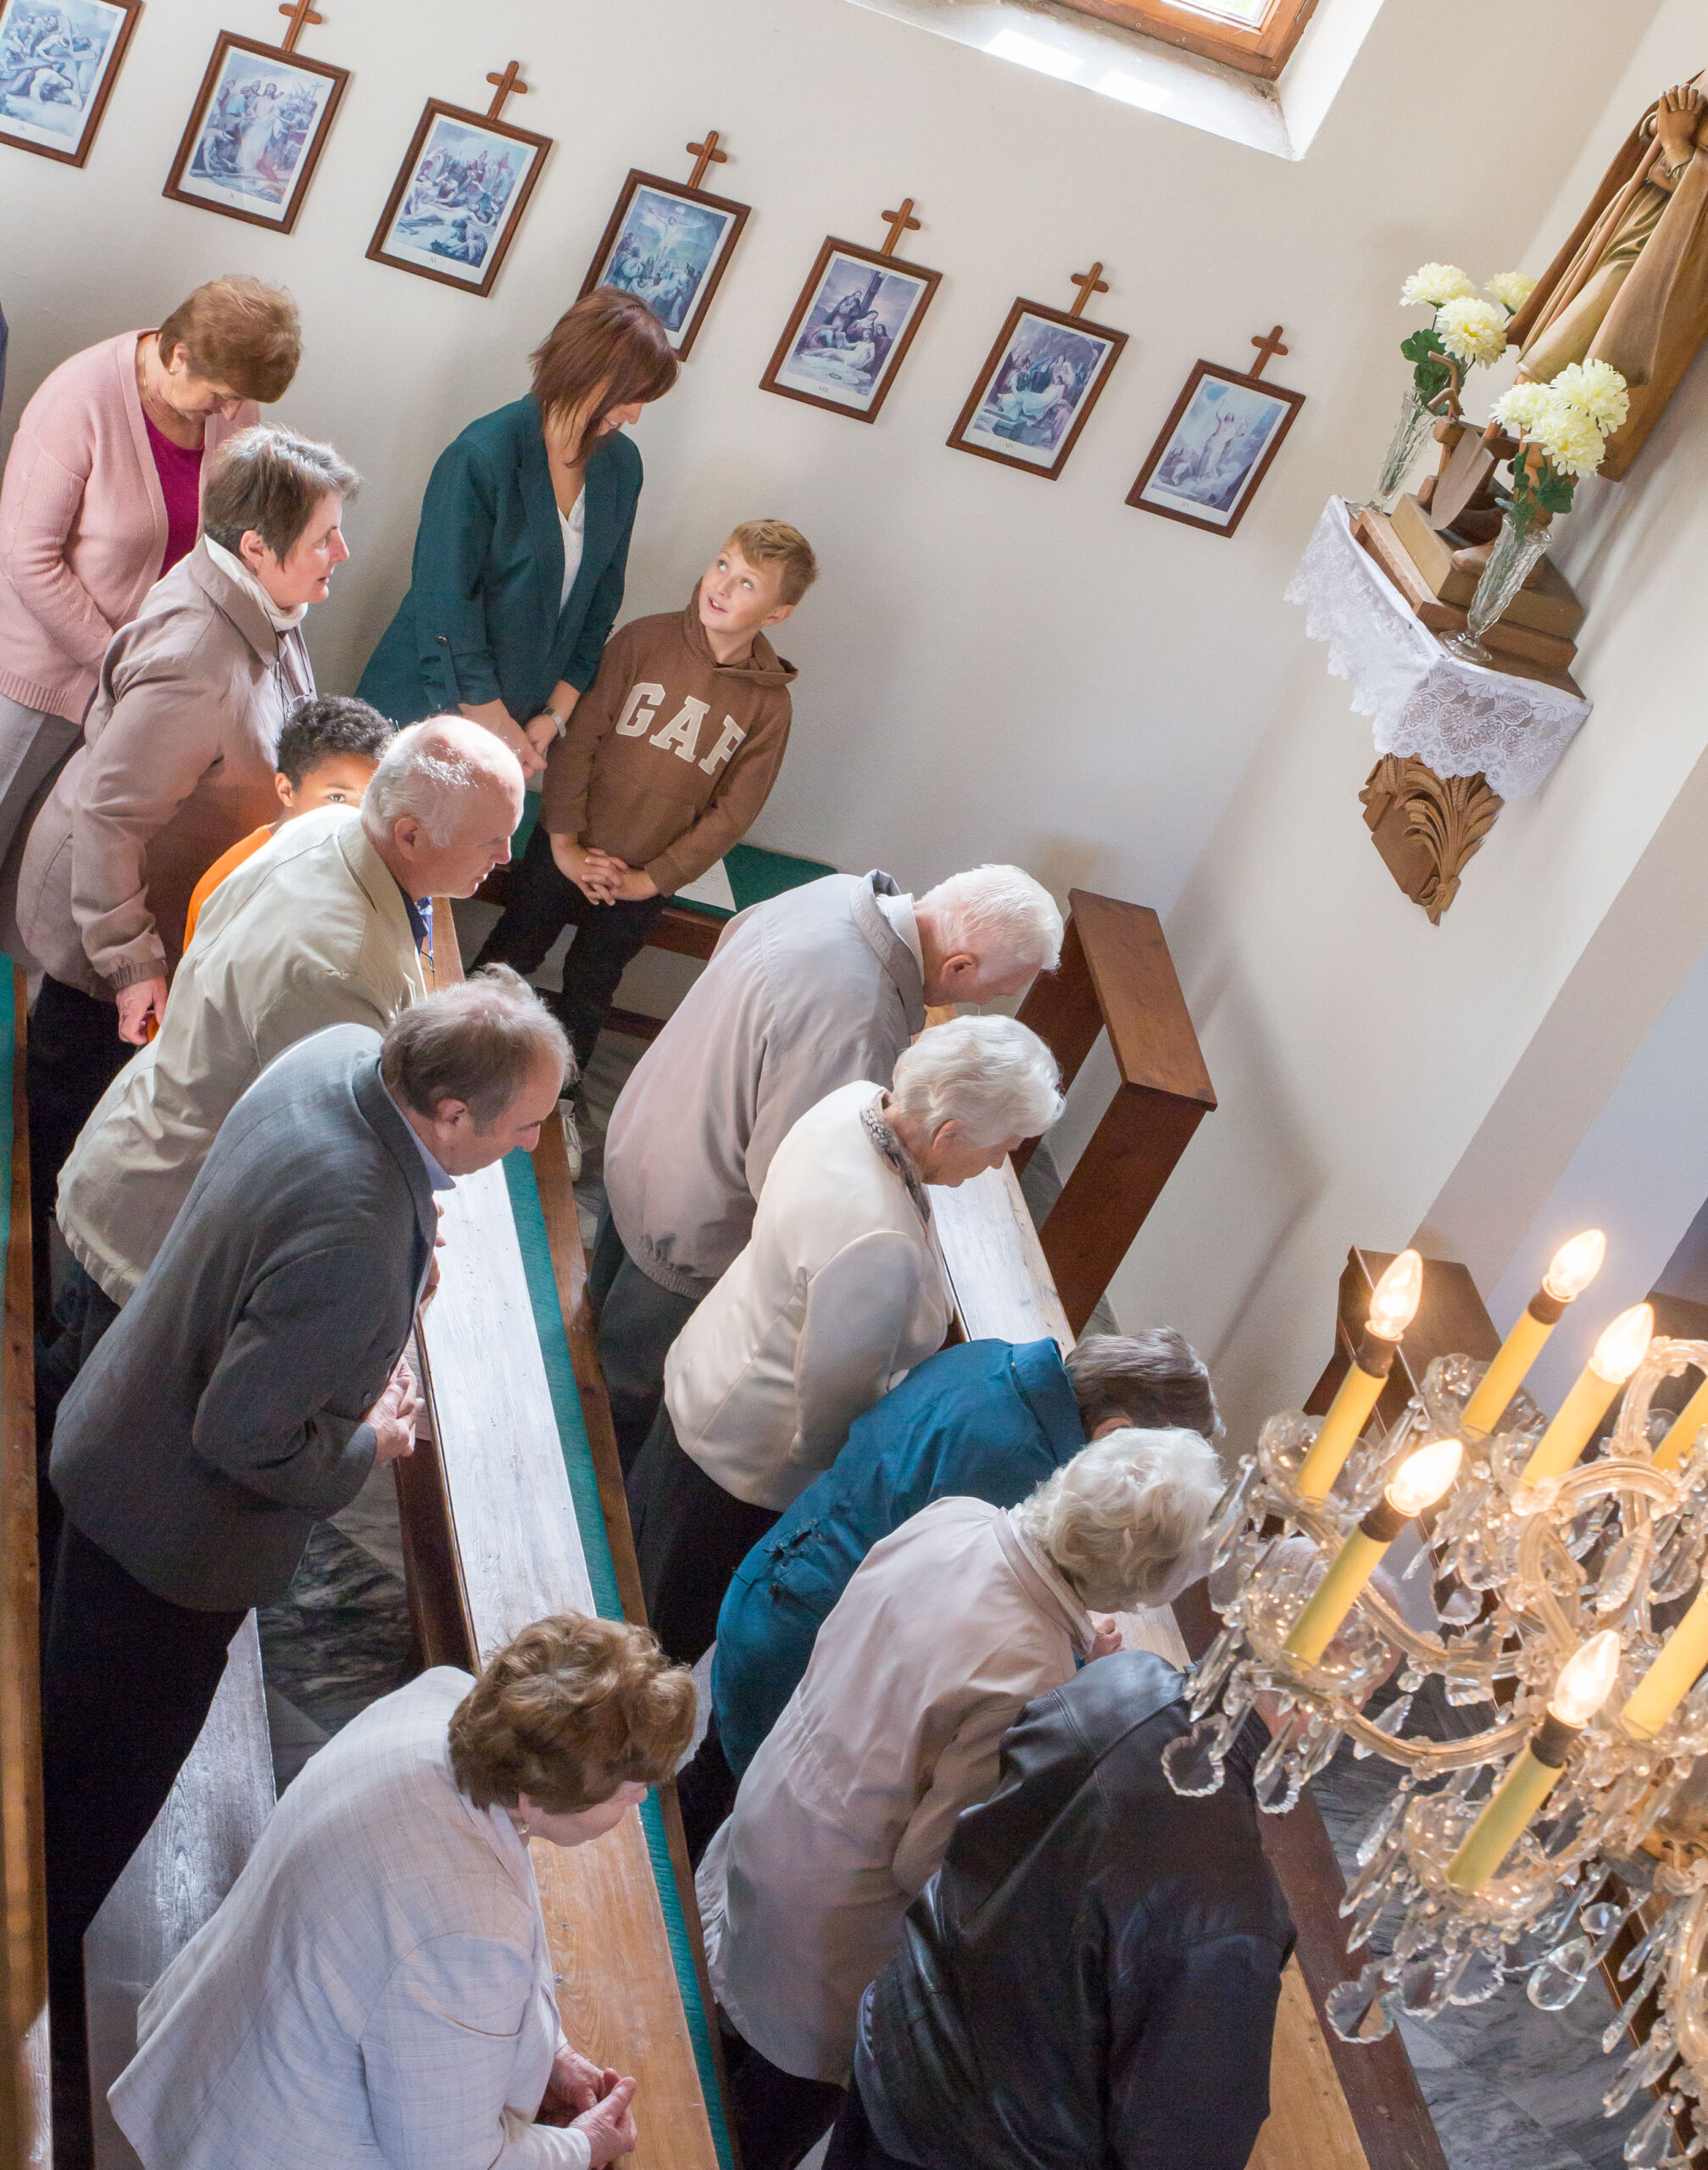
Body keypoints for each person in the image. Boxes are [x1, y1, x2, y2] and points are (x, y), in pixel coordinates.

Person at [40, 971, 570, 2138]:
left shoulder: (335, 1057)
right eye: (525, 1125)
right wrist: (371, 1438)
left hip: (117, 1426)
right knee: (95, 1784)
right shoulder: (356, 1231)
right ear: (450, 1114)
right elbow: (242, 1434)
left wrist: (394, 1269)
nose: (534, 1146)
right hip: (168, 1541)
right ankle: (28, 1973)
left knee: (62, 1708)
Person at [695, 1427, 1226, 2170]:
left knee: (706, 2028)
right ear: (1146, 1583)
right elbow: (926, 1863)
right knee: (751, 2130)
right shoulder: (1032, 1674)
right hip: (827, 1925)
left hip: (773, 1807)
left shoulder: (955, 1518)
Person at [109, 1612, 694, 2170]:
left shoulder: (441, 1700)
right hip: (273, 2139)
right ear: (534, 1797)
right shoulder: (470, 1932)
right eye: (628, 1788)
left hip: (217, 2047)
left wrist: (551, 2053)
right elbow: (453, 2161)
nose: (640, 1799)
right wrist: (582, 2146)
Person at [48, 720, 524, 1390]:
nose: (506, 855)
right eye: (491, 838)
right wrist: (405, 1241)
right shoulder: (334, 969)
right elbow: (323, 1160)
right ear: (411, 835)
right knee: (82, 1408)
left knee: (65, 1359)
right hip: (165, 1217)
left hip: (145, 1144)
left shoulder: (331, 826)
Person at [17, 423, 356, 1327]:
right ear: (257, 546)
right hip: (105, 933)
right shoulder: (197, 658)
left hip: (156, 905)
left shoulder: (262, 605)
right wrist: (131, 964)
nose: (342, 552)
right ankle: (45, 1309)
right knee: (69, 1118)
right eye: (325, 536)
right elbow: (109, 818)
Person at [678, 1328, 1221, 1859]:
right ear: (1115, 1434)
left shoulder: (991, 1358)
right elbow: (988, 1638)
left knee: (710, 1781)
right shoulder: (1023, 1470)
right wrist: (1080, 1655)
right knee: (732, 1820)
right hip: (797, 1655)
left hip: (772, 1577)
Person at [626, 1013, 1064, 1667]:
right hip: (745, 1460)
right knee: (665, 1632)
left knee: (639, 1559)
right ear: (946, 1134)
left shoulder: (853, 1104)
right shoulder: (877, 1238)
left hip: (713, 1362)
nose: (1000, 1162)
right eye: (1003, 1146)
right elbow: (832, 1402)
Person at [595, 864, 1064, 1463]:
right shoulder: (858, 1023)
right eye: (992, 991)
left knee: (591, 1333)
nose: (981, 1003)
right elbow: (793, 1182)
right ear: (959, 966)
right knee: (618, 1415)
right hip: (692, 1221)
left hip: (650, 1134)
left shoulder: (833, 892)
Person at [826, 1650, 1294, 2170]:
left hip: (901, 2036)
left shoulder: (1117, 1676)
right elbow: (1186, 2145)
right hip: (979, 2143)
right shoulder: (1232, 1910)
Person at [475, 520, 816, 1068]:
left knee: (591, 984)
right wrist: (565, 845)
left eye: (748, 583)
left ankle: (558, 1090)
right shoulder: (641, 641)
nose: (723, 585)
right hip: (563, 846)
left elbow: (733, 813)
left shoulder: (769, 707)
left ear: (776, 614)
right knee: (512, 951)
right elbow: (577, 741)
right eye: (723, 564)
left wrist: (650, 880)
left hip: (641, 880)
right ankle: (448, 1051)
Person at [0, 277, 300, 868]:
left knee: (50, 868)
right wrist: (118, 663)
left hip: (143, 690)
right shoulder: (79, 398)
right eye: (222, 396)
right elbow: (26, 557)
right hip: (43, 682)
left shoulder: (232, 406)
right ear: (178, 354)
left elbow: (227, 536)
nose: (233, 413)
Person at [358, 288, 678, 778]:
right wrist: (496, 725)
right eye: (630, 396)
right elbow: (445, 606)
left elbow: (601, 598)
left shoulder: (622, 465)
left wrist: (556, 712)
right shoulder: (482, 455)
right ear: (585, 371)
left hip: (521, 723)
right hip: (425, 707)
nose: (635, 415)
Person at [180, 692, 394, 947]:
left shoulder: (367, 861)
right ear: (286, 791)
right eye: (337, 798)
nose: (357, 817)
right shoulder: (233, 887)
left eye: (369, 799)